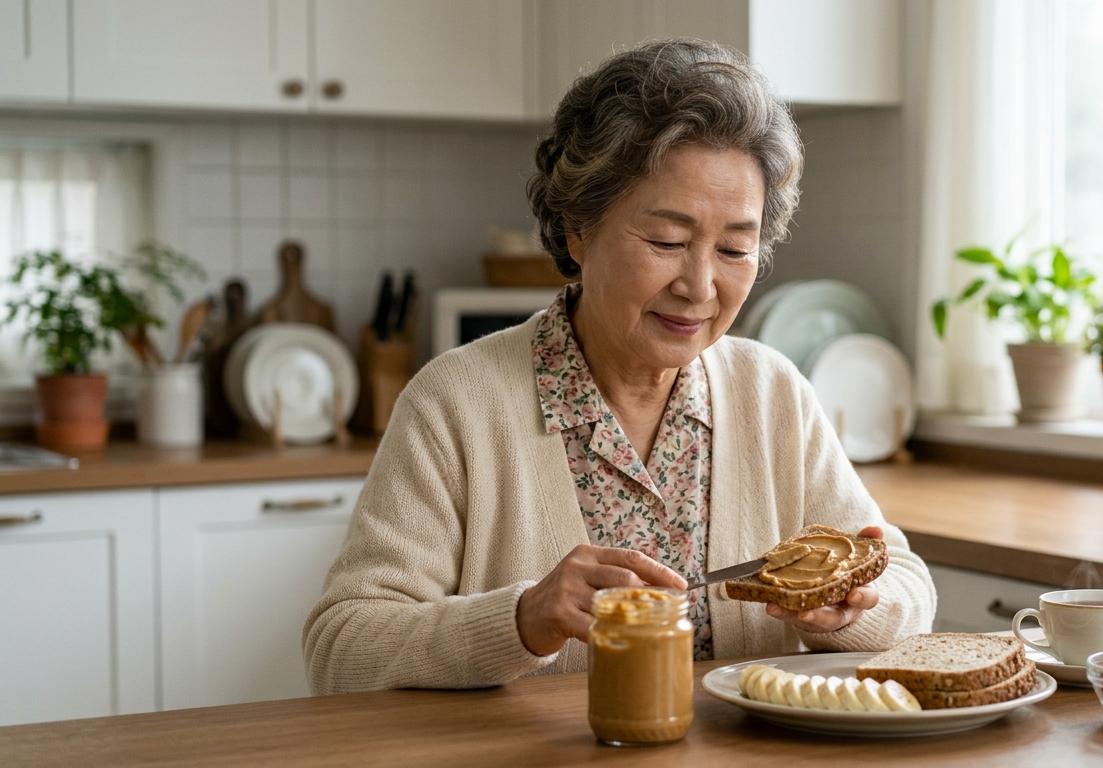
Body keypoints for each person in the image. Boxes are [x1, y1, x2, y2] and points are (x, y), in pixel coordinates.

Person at [303, 38, 936, 694]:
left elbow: (906, 586)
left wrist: (851, 613)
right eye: (666, 242)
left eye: (735, 248)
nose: (700, 286)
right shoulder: (454, 402)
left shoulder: (769, 390)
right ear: (578, 228)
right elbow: (341, 647)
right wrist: (521, 619)